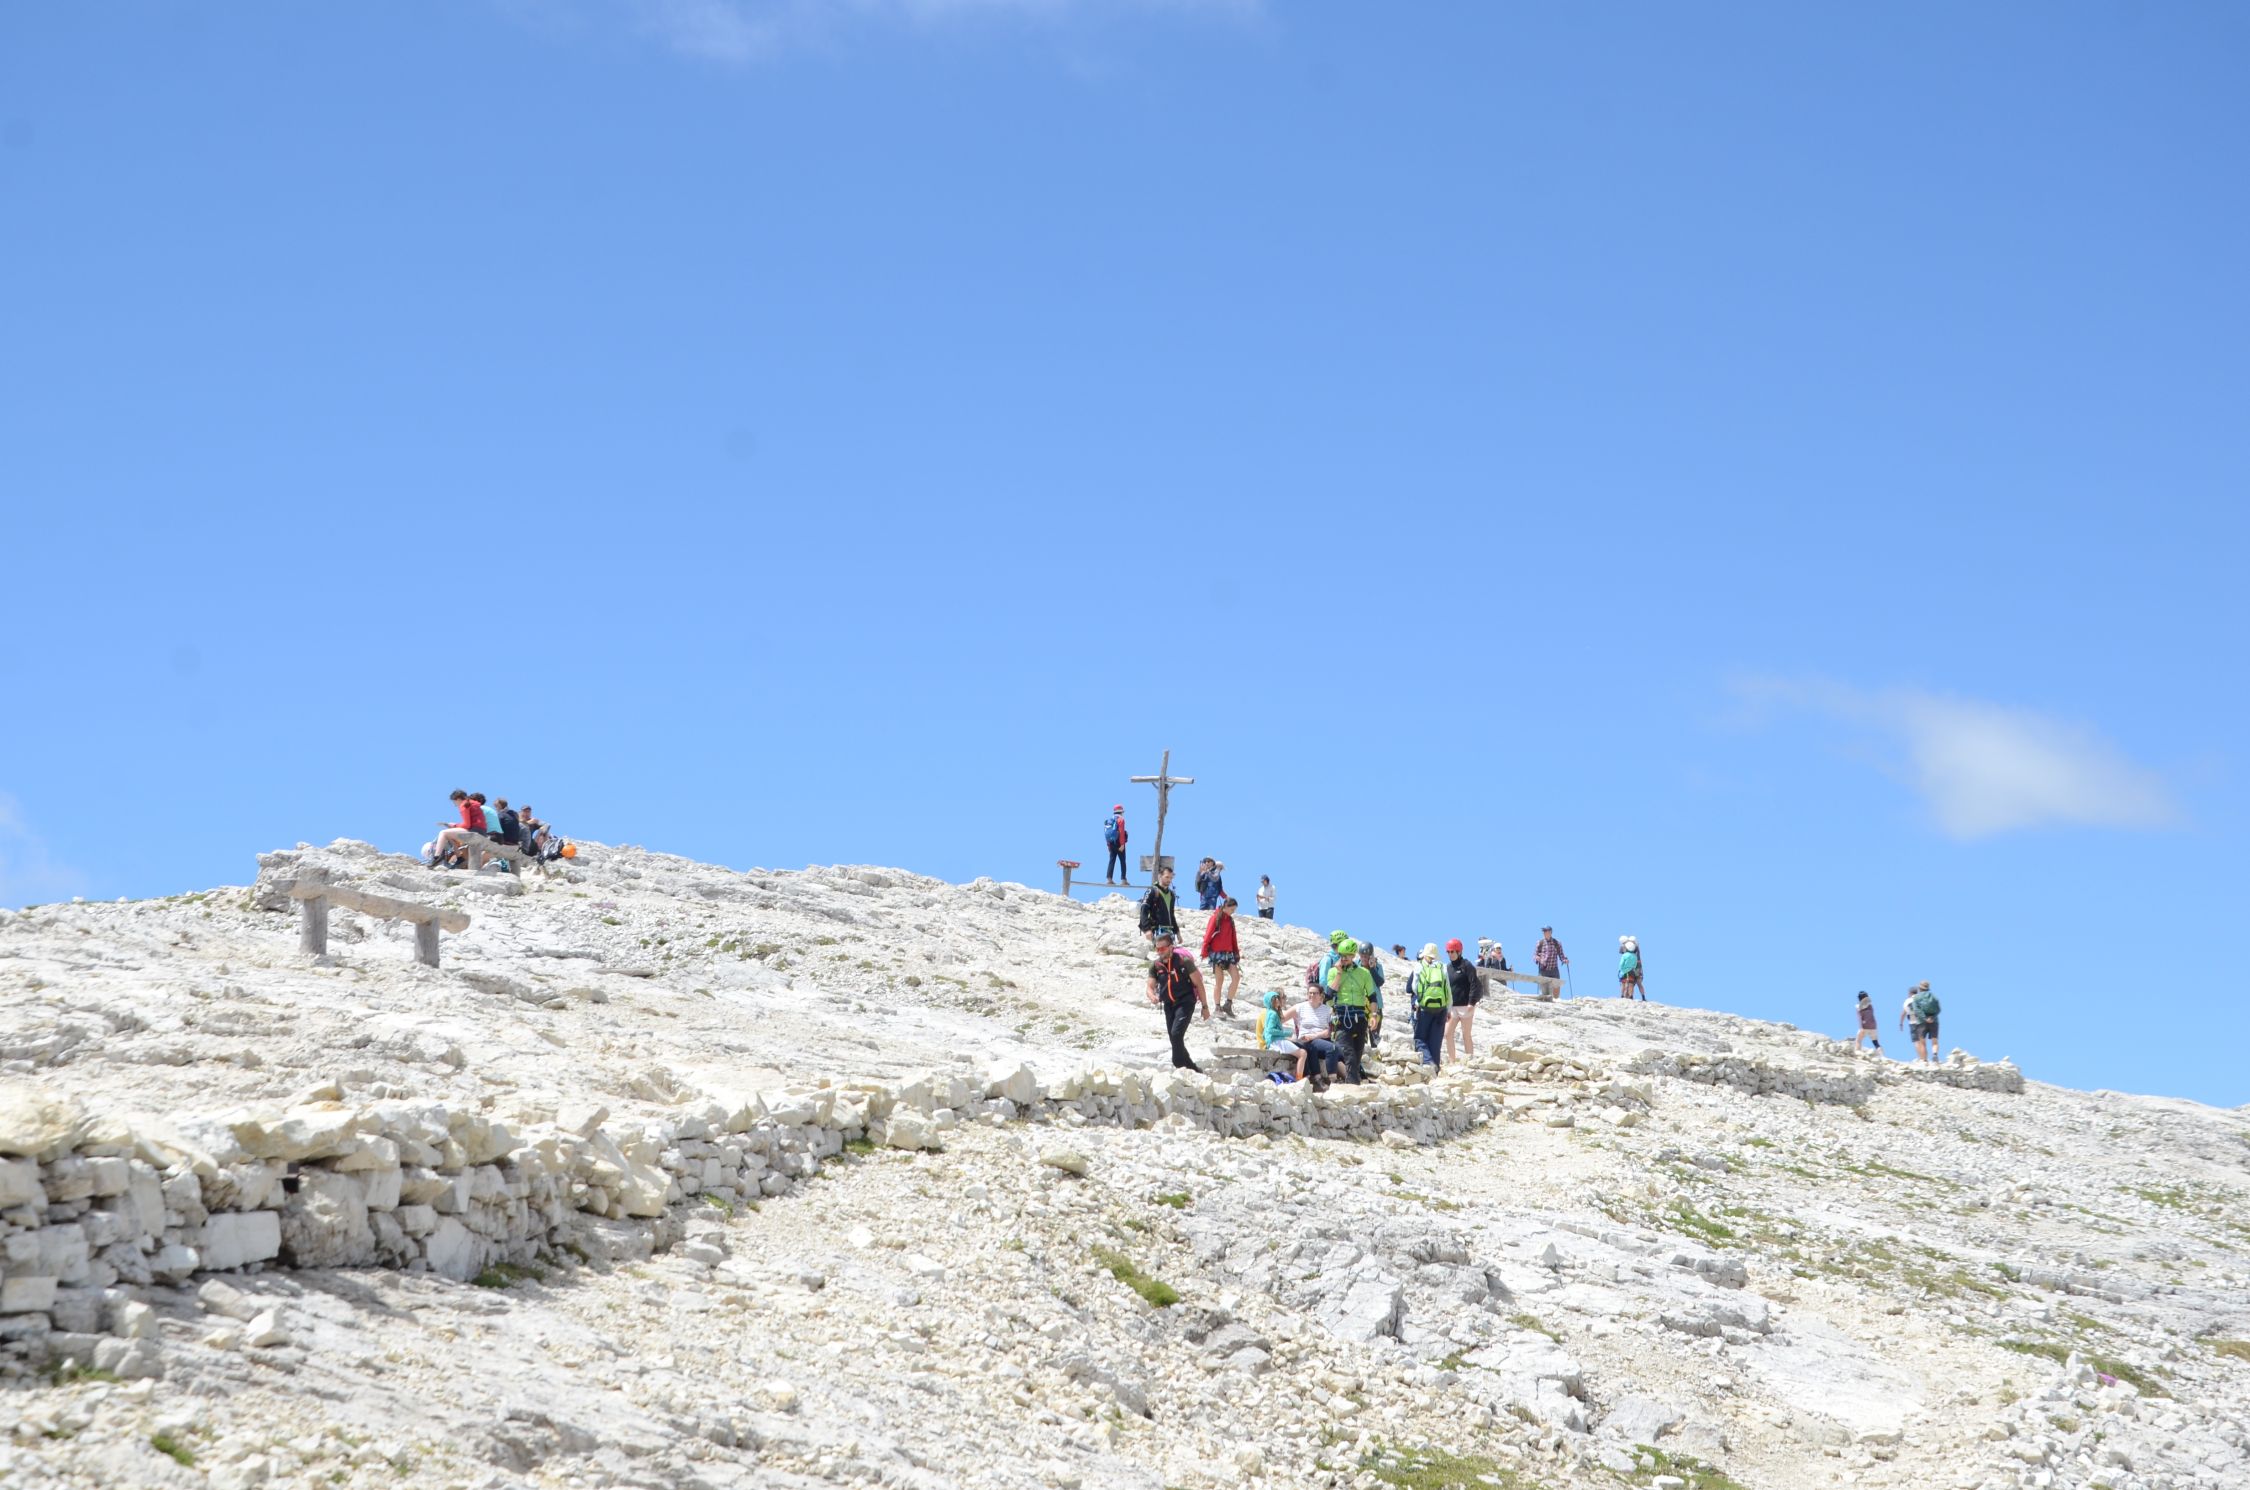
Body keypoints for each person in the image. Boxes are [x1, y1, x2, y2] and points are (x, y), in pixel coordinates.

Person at [1144, 931, 1209, 1071]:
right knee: (1174, 1039)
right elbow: (1149, 987)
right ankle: (1192, 1068)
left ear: (1171, 947)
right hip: (1168, 1005)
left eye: (1162, 948)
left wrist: (1205, 1007)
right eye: (1157, 949)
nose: (1159, 952)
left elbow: (1199, 984)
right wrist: (1152, 996)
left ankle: (1178, 1063)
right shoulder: (1156, 966)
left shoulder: (1183, 962)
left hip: (1186, 1002)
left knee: (1176, 1034)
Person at [1325, 939, 1376, 1084]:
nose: (1343, 958)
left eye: (1347, 955)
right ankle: (1353, 1086)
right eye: (1341, 955)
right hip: (1342, 1018)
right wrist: (1339, 973)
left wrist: (1373, 1015)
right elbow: (1328, 995)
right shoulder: (1333, 972)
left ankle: (1352, 1084)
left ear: (1353, 955)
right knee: (1349, 1056)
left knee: (1357, 1055)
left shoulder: (1364, 973)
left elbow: (1372, 996)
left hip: (1360, 1018)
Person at [1285, 983, 1343, 1087]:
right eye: (1310, 993)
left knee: (1338, 1051)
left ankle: (1351, 1078)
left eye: (1315, 993)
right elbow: (1281, 1018)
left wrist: (1314, 1036)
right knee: (1332, 1048)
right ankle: (1332, 1081)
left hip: (1320, 1039)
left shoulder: (1328, 1010)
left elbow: (1330, 1031)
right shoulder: (1299, 1007)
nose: (1312, 995)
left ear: (1321, 995)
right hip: (1305, 1039)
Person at [1200, 896, 1242, 1018]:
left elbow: (1233, 938)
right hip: (1217, 954)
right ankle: (1217, 1007)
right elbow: (1208, 935)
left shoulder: (1230, 920)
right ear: (1226, 907)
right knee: (1220, 981)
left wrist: (1236, 953)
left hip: (1229, 954)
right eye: (1232, 909)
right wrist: (1204, 951)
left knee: (1236, 977)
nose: (1233, 912)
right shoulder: (1215, 918)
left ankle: (1228, 1004)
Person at [1411, 943, 1451, 1070]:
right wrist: (1448, 1009)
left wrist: (1420, 1000)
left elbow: (1414, 987)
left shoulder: (1419, 966)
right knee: (1436, 1042)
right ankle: (1436, 1070)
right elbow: (1448, 989)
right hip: (1441, 1009)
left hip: (1424, 1008)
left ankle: (1428, 1063)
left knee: (1420, 1038)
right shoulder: (1442, 967)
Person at [1445, 937, 1483, 1062]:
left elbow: (1474, 984)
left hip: (1466, 1006)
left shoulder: (1466, 965)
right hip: (1452, 1007)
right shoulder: (1447, 968)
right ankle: (1452, 1061)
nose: (1450, 954)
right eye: (1448, 952)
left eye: (1452, 951)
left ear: (1459, 951)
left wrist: (1472, 1002)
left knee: (1466, 1035)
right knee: (1447, 1033)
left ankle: (1469, 1061)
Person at [429, 789, 486, 868]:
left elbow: (467, 825)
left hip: (474, 832)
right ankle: (459, 858)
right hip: (482, 832)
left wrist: (454, 825)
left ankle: (436, 858)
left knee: (443, 833)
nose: (455, 805)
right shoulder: (473, 803)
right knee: (450, 836)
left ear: (458, 799)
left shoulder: (464, 804)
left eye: (454, 802)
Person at [1139, 866, 1180, 944]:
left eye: (1171, 878)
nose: (1169, 880)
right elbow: (1143, 910)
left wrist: (1177, 932)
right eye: (1167, 877)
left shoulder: (1171, 894)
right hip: (1157, 931)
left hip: (1169, 932)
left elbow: (1171, 915)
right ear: (1160, 876)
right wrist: (1147, 929)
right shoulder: (1152, 891)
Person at [1904, 981, 1941, 1063]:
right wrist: (1932, 1017)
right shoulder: (1934, 997)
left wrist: (1924, 1018)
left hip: (1921, 1022)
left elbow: (1917, 1010)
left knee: (1922, 1042)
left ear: (1920, 988)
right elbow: (1939, 1009)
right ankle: (1935, 1054)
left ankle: (1924, 1059)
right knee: (1934, 1041)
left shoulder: (1916, 998)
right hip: (1934, 1021)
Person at [1360, 940, 1387, 1051]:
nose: (1364, 959)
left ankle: (1375, 1054)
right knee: (1362, 1034)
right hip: (1361, 1004)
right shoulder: (1356, 965)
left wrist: (1372, 968)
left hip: (1375, 1004)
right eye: (1362, 956)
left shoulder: (1378, 966)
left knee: (1374, 1033)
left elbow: (1380, 982)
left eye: (1366, 956)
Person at [1535, 925, 1568, 993]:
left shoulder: (1557, 943)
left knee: (1556, 992)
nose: (1544, 932)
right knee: (1544, 992)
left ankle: (1555, 999)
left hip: (1554, 970)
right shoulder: (1540, 942)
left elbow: (1561, 955)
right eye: (1543, 931)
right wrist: (1538, 959)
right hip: (1543, 970)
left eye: (1545, 931)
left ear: (1550, 932)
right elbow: (1535, 955)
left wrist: (1564, 960)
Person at [1103, 805, 1129, 885]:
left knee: (1112, 860)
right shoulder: (1121, 819)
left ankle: (1109, 878)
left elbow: (1107, 834)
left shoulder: (1109, 820)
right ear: (1121, 812)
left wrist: (1108, 845)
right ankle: (1123, 880)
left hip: (1111, 843)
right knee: (1122, 861)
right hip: (1119, 843)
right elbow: (1121, 832)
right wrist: (1122, 844)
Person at [1618, 936, 1645, 1000]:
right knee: (1634, 983)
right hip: (1636, 967)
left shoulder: (1626, 949)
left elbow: (1621, 953)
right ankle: (1640, 997)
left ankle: (1625, 996)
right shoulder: (1636, 947)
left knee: (1626, 983)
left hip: (1630, 969)